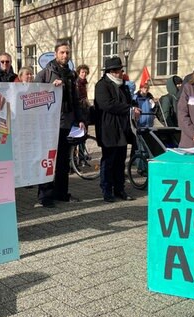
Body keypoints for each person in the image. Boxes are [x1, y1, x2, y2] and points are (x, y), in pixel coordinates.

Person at [34, 40, 85, 208]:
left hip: (67, 123)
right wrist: (50, 87)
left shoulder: (71, 75)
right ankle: (45, 196)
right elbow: (33, 94)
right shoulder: (46, 73)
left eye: (67, 53)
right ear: (56, 54)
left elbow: (75, 100)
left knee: (63, 161)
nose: (65, 55)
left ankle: (61, 193)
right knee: (48, 160)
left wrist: (80, 120)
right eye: (62, 52)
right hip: (49, 123)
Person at [94, 57, 140, 202]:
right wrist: (129, 109)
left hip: (123, 128)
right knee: (109, 160)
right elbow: (107, 104)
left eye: (121, 70)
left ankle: (120, 189)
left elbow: (129, 101)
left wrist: (134, 107)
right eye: (119, 70)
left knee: (120, 161)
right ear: (112, 72)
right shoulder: (102, 85)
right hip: (108, 128)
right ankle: (107, 190)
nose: (121, 73)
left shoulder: (123, 86)